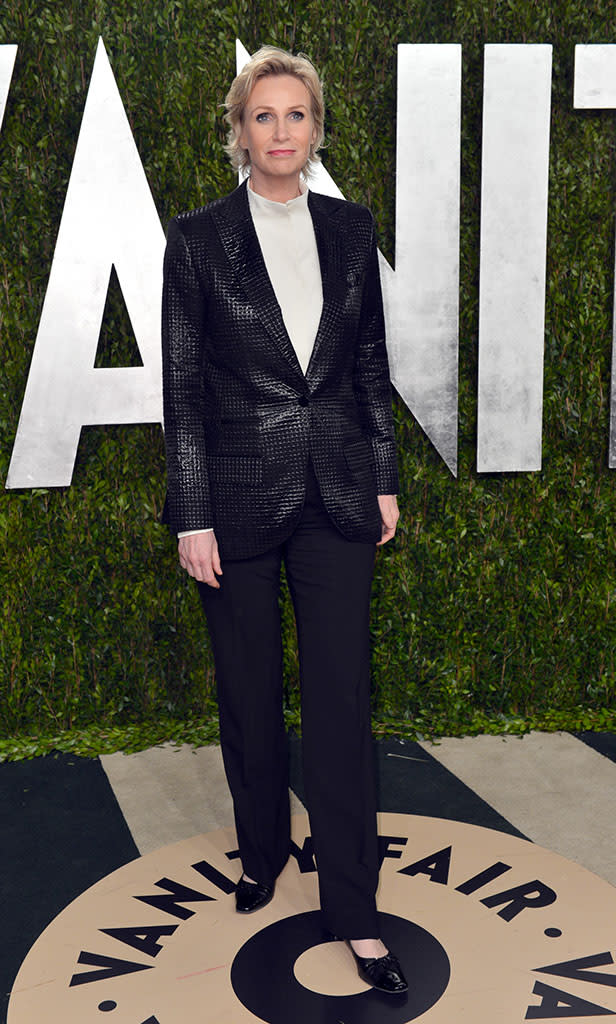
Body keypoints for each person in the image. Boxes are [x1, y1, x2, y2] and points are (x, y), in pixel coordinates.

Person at [161, 45, 407, 995]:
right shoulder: (196, 238)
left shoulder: (350, 230)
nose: (279, 133)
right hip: (235, 497)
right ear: (239, 130)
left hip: (339, 492)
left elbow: (367, 369)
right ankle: (261, 852)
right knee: (250, 696)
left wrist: (381, 477)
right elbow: (184, 390)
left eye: (294, 115)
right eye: (262, 116)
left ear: (315, 130)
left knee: (342, 705)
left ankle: (355, 909)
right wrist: (192, 515)